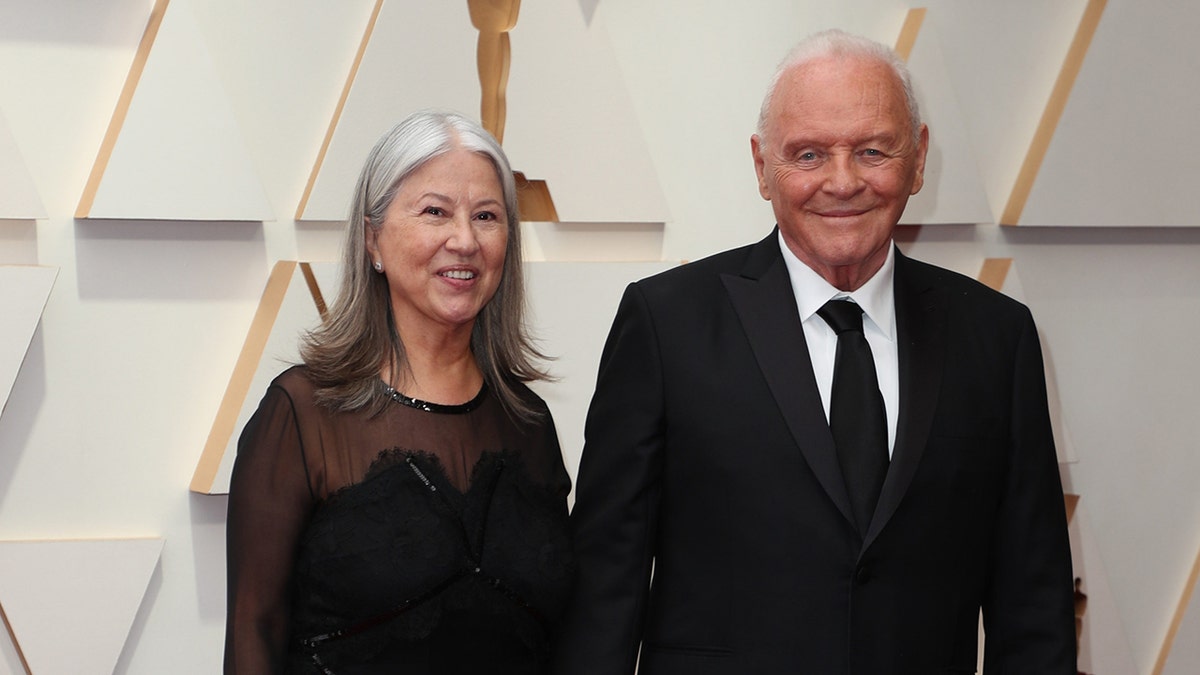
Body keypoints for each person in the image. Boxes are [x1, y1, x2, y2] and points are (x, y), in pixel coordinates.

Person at [554, 30, 1075, 674]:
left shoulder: (998, 338)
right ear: (761, 166)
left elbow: (1033, 604)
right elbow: (606, 588)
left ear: (918, 159)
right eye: (807, 154)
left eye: (872, 150)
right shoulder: (666, 324)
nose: (843, 181)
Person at [224, 110, 574, 674]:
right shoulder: (304, 414)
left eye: (486, 216)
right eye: (435, 212)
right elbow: (253, 633)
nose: (464, 240)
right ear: (373, 240)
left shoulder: (528, 422)